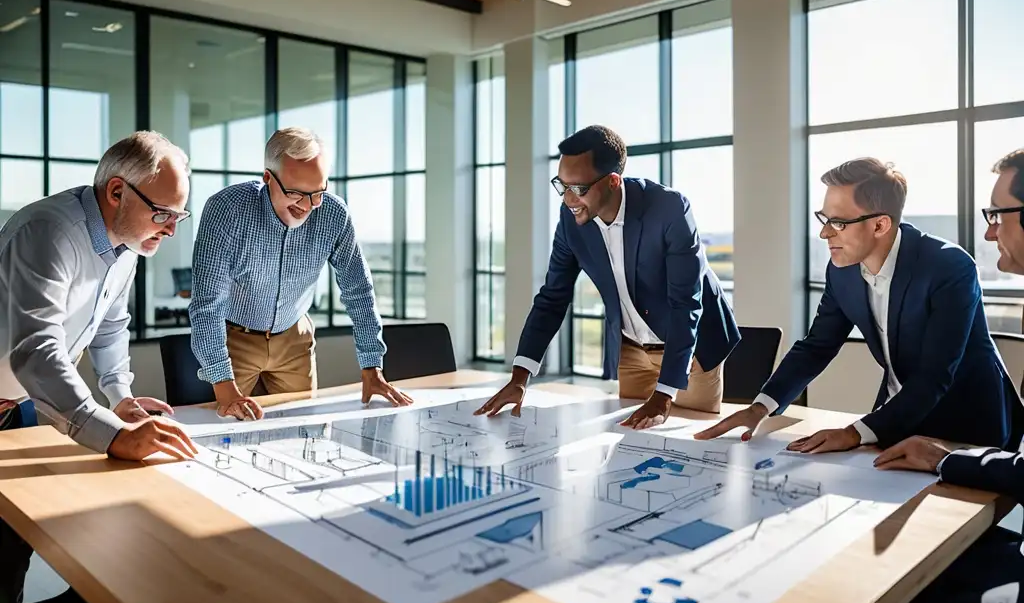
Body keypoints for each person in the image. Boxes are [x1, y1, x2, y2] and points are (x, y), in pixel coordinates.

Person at [0, 130, 198, 603]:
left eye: (179, 215)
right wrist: (112, 435)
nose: (172, 229)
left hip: (19, 404)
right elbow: (35, 349)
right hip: (18, 390)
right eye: (164, 213)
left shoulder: (126, 244)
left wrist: (120, 396)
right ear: (116, 192)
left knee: (13, 544)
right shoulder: (49, 232)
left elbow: (109, 325)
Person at [696, 156, 1019, 452]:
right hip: (894, 415)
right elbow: (817, 346)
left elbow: (935, 374)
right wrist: (760, 408)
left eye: (838, 222)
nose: (824, 233)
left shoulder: (947, 266)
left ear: (879, 225)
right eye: (823, 218)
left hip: (967, 420)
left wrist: (853, 432)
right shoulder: (843, 271)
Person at [476, 125, 741, 429]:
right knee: (629, 439)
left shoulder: (669, 209)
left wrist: (664, 394)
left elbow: (685, 303)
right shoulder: (571, 219)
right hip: (631, 348)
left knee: (689, 440)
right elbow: (553, 297)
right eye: (562, 187)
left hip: (691, 348)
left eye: (578, 189)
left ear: (613, 181)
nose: (568, 200)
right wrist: (520, 377)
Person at [874, 148, 1024, 603]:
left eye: (997, 215)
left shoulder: (946, 266)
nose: (989, 233)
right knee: (922, 574)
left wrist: (945, 459)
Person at [189, 127, 412, 421]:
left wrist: (372, 366)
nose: (306, 206)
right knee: (224, 433)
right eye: (295, 193)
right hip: (232, 339)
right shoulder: (227, 210)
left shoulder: (334, 215)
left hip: (294, 338)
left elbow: (358, 289)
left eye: (317, 193)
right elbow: (207, 302)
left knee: (304, 434)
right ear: (268, 178)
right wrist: (222, 380)